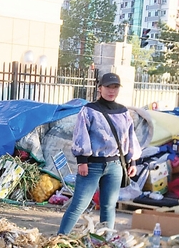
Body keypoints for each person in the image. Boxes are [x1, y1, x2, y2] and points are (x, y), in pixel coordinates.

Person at [58, 73, 142, 233]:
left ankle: (106, 242)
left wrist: (133, 161)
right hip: (91, 165)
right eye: (108, 87)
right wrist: (82, 161)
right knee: (79, 204)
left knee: (109, 206)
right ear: (99, 88)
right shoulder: (89, 110)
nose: (111, 91)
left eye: (115, 87)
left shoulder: (124, 112)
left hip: (116, 165)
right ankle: (60, 239)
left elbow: (130, 138)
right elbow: (80, 135)